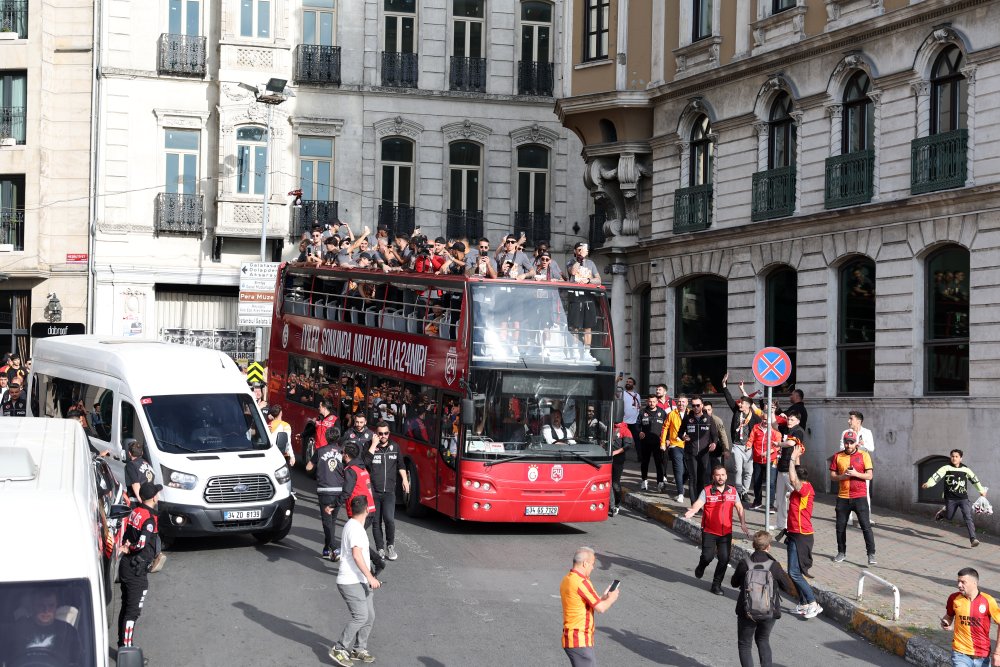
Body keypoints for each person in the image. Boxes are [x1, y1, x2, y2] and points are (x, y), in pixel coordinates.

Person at [328, 495, 381, 667]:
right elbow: (357, 556)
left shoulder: (353, 525)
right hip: (350, 581)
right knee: (361, 616)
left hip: (360, 580)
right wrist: (371, 577)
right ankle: (339, 648)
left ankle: (359, 649)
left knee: (369, 616)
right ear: (367, 509)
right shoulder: (355, 529)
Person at [730, 531, 796, 667]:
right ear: (769, 546)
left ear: (753, 545)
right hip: (769, 610)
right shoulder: (774, 565)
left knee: (745, 644)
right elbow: (788, 588)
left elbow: (734, 583)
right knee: (763, 639)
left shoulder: (744, 563)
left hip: (746, 610)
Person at [684, 465, 751, 595]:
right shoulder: (707, 491)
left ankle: (716, 584)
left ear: (726, 476)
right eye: (718, 475)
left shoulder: (732, 491)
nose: (720, 477)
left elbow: (739, 507)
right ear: (713, 477)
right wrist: (693, 510)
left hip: (726, 532)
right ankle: (701, 565)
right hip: (709, 531)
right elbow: (698, 503)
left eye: (723, 475)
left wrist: (743, 523)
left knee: (724, 559)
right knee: (707, 557)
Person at [560, 546, 620, 667]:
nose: (593, 567)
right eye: (592, 564)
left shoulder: (567, 579)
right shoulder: (582, 582)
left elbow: (587, 603)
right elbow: (601, 608)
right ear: (585, 563)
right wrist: (612, 598)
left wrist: (604, 597)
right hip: (580, 640)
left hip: (573, 639)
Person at [118, 482, 161, 648]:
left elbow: (127, 535)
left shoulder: (136, 511)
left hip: (127, 566)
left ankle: (123, 646)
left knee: (127, 607)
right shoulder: (149, 519)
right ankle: (127, 651)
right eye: (157, 493)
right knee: (133, 611)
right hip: (136, 570)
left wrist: (126, 546)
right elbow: (141, 543)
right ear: (154, 497)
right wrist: (130, 548)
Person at [337, 443, 386, 576]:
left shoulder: (351, 470)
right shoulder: (361, 467)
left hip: (360, 511)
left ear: (346, 455)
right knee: (360, 540)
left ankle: (375, 564)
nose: (341, 455)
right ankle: (372, 566)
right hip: (368, 508)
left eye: (342, 453)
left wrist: (334, 504)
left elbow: (347, 491)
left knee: (357, 541)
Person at [922, 449, 988, 548]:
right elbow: (936, 476)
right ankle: (942, 513)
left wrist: (981, 490)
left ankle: (973, 539)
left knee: (968, 517)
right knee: (949, 517)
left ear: (961, 458)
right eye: (952, 456)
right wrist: (928, 483)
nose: (954, 458)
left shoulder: (966, 469)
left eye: (956, 456)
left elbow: (974, 480)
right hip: (950, 499)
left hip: (963, 498)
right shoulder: (946, 468)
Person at [364, 422, 410, 561]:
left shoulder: (394, 447)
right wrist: (373, 444)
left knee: (389, 519)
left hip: (389, 491)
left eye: (386, 433)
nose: (383, 436)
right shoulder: (369, 445)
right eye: (380, 433)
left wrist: (404, 479)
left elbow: (401, 465)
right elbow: (365, 463)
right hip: (374, 491)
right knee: (376, 522)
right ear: (376, 434)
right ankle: (380, 548)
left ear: (389, 433)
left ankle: (390, 545)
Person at [786, 446, 822, 618]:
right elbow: (796, 474)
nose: (789, 476)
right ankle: (803, 604)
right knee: (792, 571)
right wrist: (798, 455)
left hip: (802, 536)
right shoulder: (801, 486)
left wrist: (791, 458)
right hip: (793, 533)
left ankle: (813, 603)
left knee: (794, 572)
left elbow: (794, 478)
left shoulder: (805, 489)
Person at [829, 430, 876, 565]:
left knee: (865, 526)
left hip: (860, 497)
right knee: (840, 527)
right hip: (843, 497)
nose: (848, 445)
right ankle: (841, 552)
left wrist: (855, 473)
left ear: (856, 443)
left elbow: (869, 475)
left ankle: (871, 554)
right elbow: (832, 476)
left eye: (851, 442)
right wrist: (842, 477)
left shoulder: (864, 455)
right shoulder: (837, 456)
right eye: (846, 442)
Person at [941, 567, 1000, 667]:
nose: (959, 585)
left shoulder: (988, 601)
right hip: (960, 653)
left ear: (974, 583)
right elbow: (949, 616)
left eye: (963, 582)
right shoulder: (954, 598)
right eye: (958, 581)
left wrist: (997, 653)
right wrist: (946, 621)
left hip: (982, 655)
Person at [8, 589, 81, 664]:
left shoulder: (68, 631)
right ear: (32, 606)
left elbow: (76, 662)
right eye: (41, 605)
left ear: (56, 606)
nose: (46, 610)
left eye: (51, 605)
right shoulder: (17, 630)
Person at [680, 396, 720, 503]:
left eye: (698, 405)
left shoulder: (708, 418)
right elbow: (679, 433)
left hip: (704, 453)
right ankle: (694, 504)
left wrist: (714, 443)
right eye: (693, 405)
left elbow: (715, 435)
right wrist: (683, 437)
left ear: (702, 405)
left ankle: (700, 502)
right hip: (691, 452)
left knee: (702, 479)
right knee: (693, 478)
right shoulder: (687, 418)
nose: (696, 407)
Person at [314, 435, 346, 561]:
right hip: (338, 490)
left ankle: (334, 548)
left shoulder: (320, 451)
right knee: (332, 521)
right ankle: (326, 549)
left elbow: (308, 467)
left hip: (324, 490)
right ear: (338, 438)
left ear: (326, 437)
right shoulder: (342, 452)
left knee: (327, 521)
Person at [773, 412, 805, 541]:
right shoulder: (787, 428)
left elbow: (791, 444)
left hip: (790, 469)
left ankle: (799, 522)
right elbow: (774, 425)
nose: (789, 421)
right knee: (780, 498)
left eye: (792, 419)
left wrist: (778, 444)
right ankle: (781, 524)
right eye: (789, 419)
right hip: (781, 467)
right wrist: (776, 415)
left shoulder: (798, 431)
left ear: (797, 421)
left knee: (796, 496)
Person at [842, 410, 875, 525]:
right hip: (849, 464)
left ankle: (866, 518)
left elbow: (871, 448)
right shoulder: (845, 432)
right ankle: (848, 518)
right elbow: (841, 447)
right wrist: (854, 445)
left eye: (851, 419)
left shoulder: (867, 432)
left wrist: (863, 444)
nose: (848, 421)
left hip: (862, 465)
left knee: (864, 492)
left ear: (858, 421)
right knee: (847, 491)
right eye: (849, 418)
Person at [747, 404, 781, 512]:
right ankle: (757, 501)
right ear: (762, 418)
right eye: (764, 419)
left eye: (768, 420)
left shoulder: (775, 432)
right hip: (757, 459)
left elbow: (778, 447)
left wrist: (770, 451)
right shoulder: (756, 427)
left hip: (771, 460)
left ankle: (770, 505)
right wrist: (748, 445)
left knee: (771, 483)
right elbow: (751, 439)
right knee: (757, 481)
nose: (766, 421)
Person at [637, 395, 668, 492]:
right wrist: (639, 432)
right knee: (644, 462)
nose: (652, 403)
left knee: (659, 463)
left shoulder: (662, 413)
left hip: (658, 442)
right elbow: (636, 425)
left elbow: (667, 427)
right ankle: (644, 480)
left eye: (654, 401)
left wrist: (667, 439)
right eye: (650, 401)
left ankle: (660, 483)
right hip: (645, 442)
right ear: (647, 401)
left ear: (657, 402)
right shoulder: (642, 412)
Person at [665, 395, 689, 502]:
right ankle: (680, 494)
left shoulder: (691, 414)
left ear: (687, 403)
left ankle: (681, 484)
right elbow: (665, 428)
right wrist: (663, 442)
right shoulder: (672, 414)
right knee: (678, 470)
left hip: (689, 446)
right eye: (679, 402)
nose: (681, 404)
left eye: (683, 402)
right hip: (675, 445)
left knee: (688, 470)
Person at [608, 422, 633, 517]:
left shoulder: (626, 430)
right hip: (607, 459)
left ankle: (617, 504)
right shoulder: (608, 426)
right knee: (607, 482)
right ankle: (611, 505)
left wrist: (615, 452)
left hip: (618, 460)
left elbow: (627, 446)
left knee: (615, 484)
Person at [124, 440, 155, 504]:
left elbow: (135, 483)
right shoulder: (147, 463)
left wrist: (139, 498)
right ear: (142, 453)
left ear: (129, 453)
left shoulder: (131, 465)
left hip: (137, 500)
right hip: (150, 498)